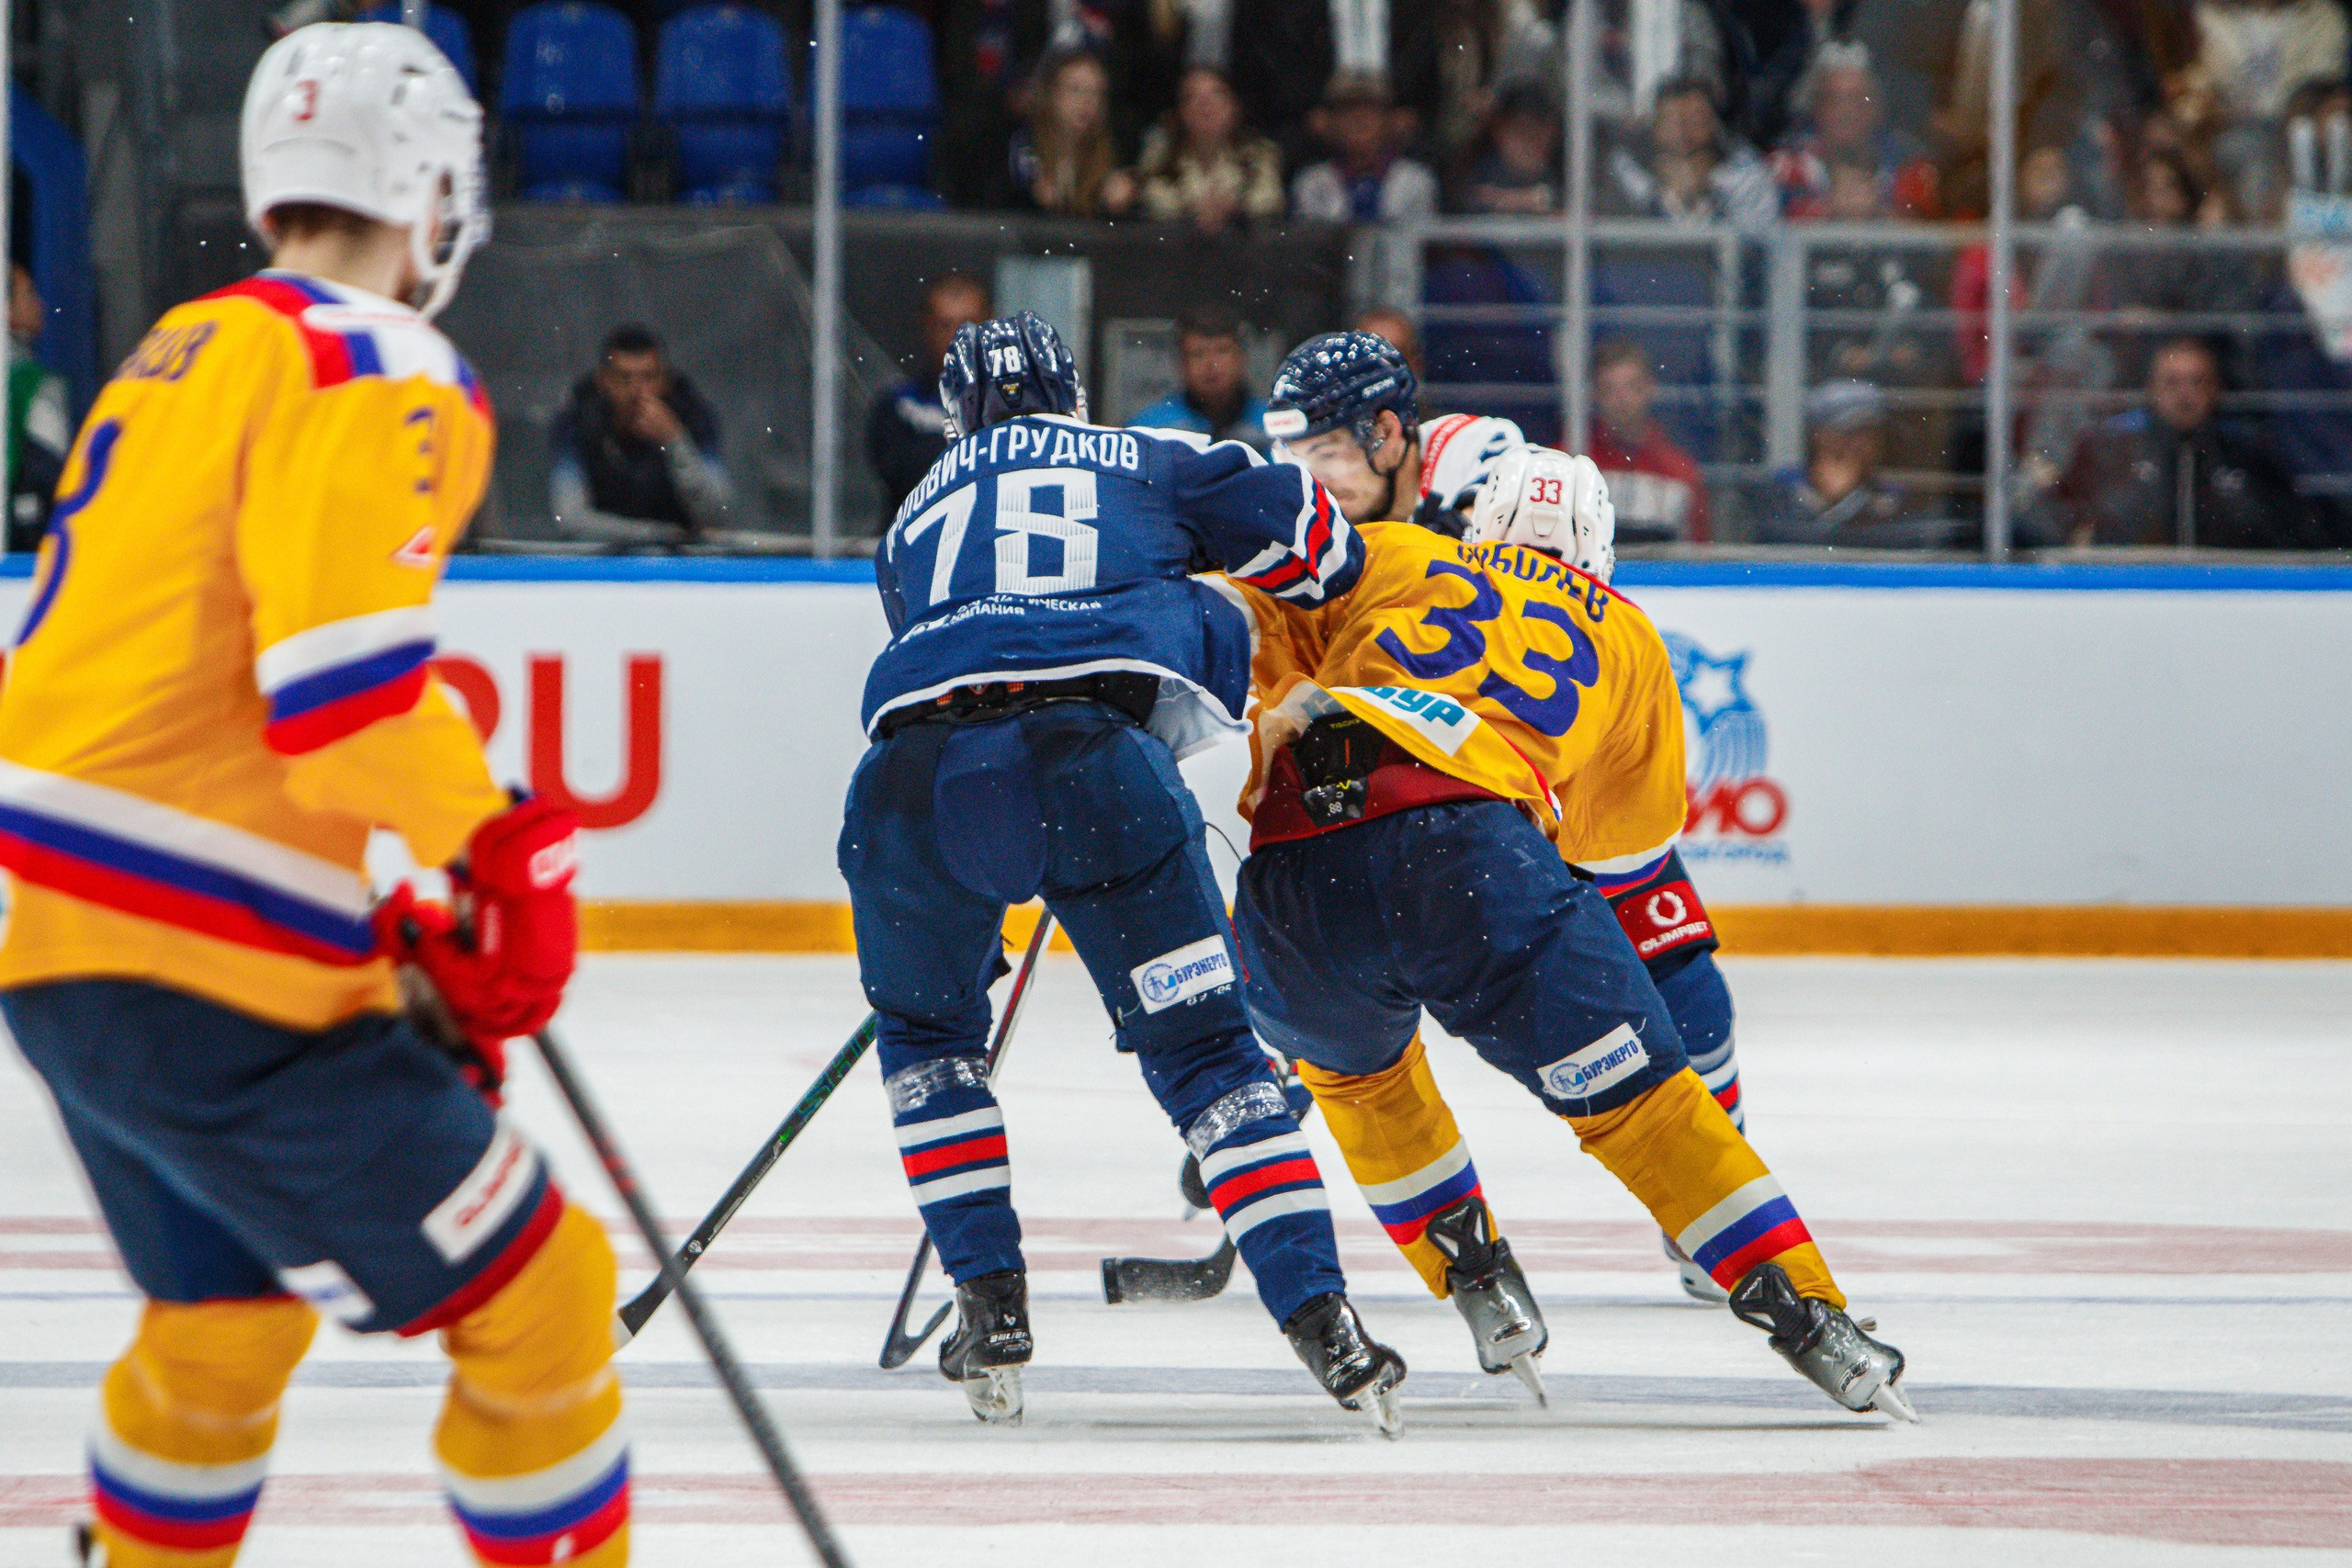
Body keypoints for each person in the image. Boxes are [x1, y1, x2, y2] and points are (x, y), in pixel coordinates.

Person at [0, 26, 624, 1568]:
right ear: (427, 186)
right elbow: (344, 703)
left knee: (220, 1329)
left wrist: (357, 916)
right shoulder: (379, 357)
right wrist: (499, 853)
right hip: (204, 967)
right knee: (549, 1294)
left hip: (64, 955)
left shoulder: (183, 350)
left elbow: (176, 698)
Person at [1231, 333, 1917, 1415]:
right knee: (1643, 1107)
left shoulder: (1402, 558)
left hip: (1288, 870)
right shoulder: (1631, 639)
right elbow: (1616, 858)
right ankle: (1808, 1314)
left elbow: (1252, 628)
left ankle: (1477, 1279)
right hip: (1469, 854)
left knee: (1358, 1079)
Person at [840, 310, 1405, 1431]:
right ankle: (1322, 1321)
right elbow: (1321, 548)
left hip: (910, 784)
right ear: (1074, 395)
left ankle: (988, 1299)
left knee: (927, 1046)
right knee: (1205, 1055)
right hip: (1092, 771)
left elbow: (963, 638)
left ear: (958, 418)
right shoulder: (1149, 454)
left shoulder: (906, 520)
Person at [2048, 335, 2324, 547]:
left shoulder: (2248, 453)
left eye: (2196, 382)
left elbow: (2286, 529)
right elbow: (2071, 524)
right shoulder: (2112, 449)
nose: (2185, 395)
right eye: (2172, 382)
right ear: (2152, 388)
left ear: (2215, 389)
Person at [548, 324, 731, 546]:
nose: (637, 391)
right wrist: (657, 536)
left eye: (648, 378)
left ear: (665, 380)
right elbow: (570, 519)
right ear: (603, 381)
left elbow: (717, 513)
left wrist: (675, 441)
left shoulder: (692, 414)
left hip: (683, 564)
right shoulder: (578, 417)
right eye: (624, 379)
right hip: (601, 562)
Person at [1753, 378, 1951, 546]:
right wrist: (1826, 503)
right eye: (1850, 431)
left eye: (1872, 432)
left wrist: (1854, 505)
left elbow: (1905, 544)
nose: (1863, 442)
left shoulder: (1895, 495)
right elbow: (1776, 541)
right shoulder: (1781, 488)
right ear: (1819, 435)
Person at [868, 274, 993, 526]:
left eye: (967, 324)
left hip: (985, 545)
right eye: (946, 325)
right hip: (914, 546)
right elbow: (908, 478)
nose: (957, 337)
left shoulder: (1014, 401)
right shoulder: (898, 404)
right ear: (927, 326)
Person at [1769, 41, 1937, 220]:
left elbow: (1928, 226)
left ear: (1876, 108)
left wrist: (1878, 213)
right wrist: (1826, 211)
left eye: (1859, 100)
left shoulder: (1909, 164)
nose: (1846, 112)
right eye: (1834, 100)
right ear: (1816, 108)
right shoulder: (1784, 167)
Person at [1601, 73, 1780, 229]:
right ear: (1655, 127)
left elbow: (1757, 245)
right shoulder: (1626, 175)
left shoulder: (1746, 176)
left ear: (1714, 124)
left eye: (1695, 119)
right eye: (1671, 120)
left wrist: (1703, 194)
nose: (1683, 131)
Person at [1585, 338, 1712, 544]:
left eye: (1631, 386)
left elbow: (1697, 555)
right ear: (1595, 394)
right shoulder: (1565, 464)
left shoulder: (1681, 473)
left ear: (1649, 388)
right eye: (1609, 388)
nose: (1621, 398)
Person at [1136, 64, 1285, 231]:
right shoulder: (1160, 153)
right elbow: (1154, 196)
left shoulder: (1259, 152)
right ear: (1181, 111)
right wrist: (1194, 210)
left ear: (1234, 106)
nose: (1206, 104)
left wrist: (1234, 209)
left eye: (1216, 94)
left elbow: (1269, 199)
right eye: (1193, 96)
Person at [1289, 71, 1440, 223]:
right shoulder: (1312, 182)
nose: (1359, 119)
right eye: (1347, 110)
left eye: (1371, 110)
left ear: (1389, 120)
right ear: (1330, 121)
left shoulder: (1415, 180)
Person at [1007, 49, 1137, 217]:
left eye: (1095, 93)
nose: (1086, 102)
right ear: (1053, 94)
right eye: (1076, 90)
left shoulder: (1113, 152)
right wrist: (1032, 192)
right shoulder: (1023, 144)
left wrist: (1118, 204)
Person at [1130, 303, 1271, 449]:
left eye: (1222, 351)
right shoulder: (1150, 430)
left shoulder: (1274, 428)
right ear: (1180, 363)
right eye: (1198, 353)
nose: (1211, 364)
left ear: (1241, 357)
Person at [7, 261, 70, 551]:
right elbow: (57, 476)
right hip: (26, 540)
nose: (39, 305)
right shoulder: (30, 382)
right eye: (28, 295)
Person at [1454, 78, 1564, 214]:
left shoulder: (1561, 173)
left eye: (1543, 130)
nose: (1534, 141)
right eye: (1522, 130)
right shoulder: (1480, 175)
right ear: (1499, 131)